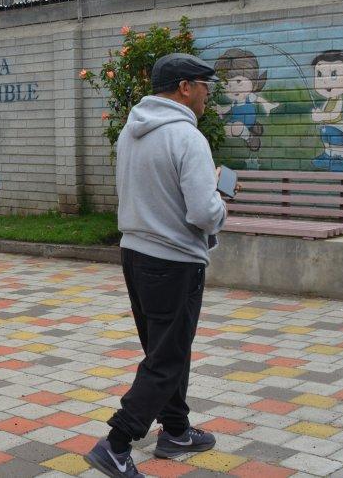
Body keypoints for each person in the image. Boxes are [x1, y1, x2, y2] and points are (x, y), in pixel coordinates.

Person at [84, 53, 231, 478]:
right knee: (166, 358)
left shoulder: (131, 132)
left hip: (136, 254)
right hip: (175, 261)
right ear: (185, 87)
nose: (209, 94)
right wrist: (222, 203)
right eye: (206, 85)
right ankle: (116, 443)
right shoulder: (188, 138)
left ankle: (177, 431)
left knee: (165, 350)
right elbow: (204, 213)